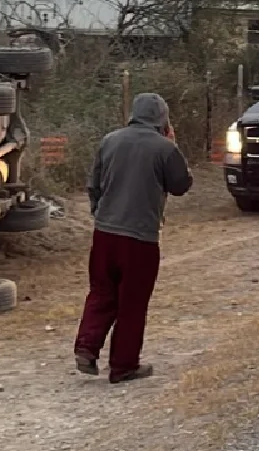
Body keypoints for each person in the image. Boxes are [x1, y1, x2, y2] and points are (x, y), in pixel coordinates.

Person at [75, 92, 193, 382]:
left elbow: (94, 184)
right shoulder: (164, 148)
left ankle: (86, 348)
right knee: (132, 302)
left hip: (104, 233)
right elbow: (181, 185)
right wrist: (174, 146)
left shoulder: (110, 140)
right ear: (163, 119)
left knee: (101, 292)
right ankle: (123, 365)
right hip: (140, 238)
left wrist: (100, 214)